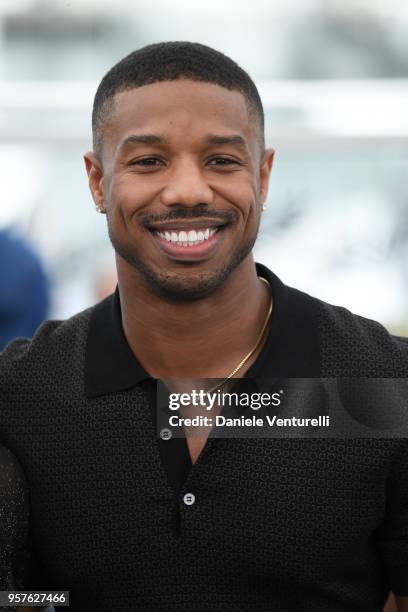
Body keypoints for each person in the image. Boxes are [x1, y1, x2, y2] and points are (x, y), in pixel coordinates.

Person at [0, 41, 407, 612]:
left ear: (263, 176)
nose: (188, 191)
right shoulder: (20, 394)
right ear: (97, 182)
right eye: (148, 162)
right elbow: (21, 598)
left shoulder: (389, 383)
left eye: (221, 160)